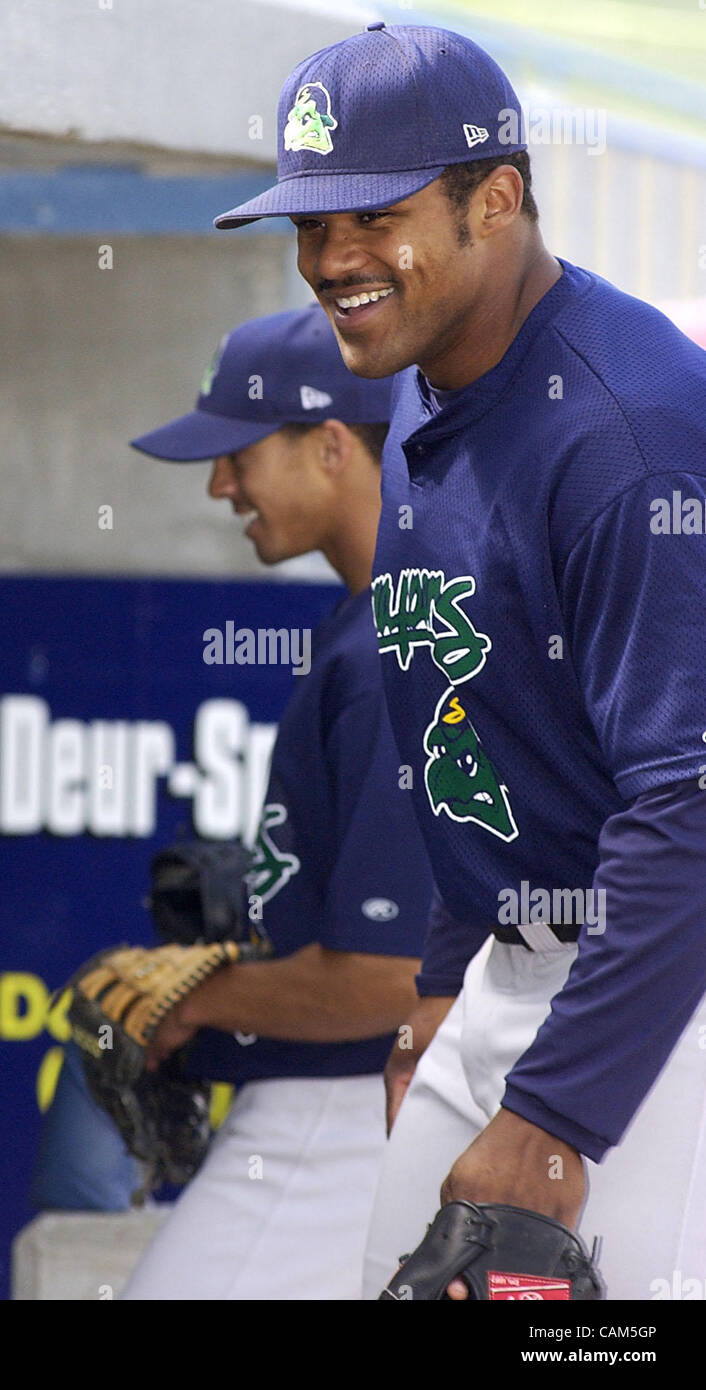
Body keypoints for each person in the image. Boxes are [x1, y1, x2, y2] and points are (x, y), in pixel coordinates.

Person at [215, 22, 706, 1301]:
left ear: (496, 200)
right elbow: (468, 722)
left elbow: (692, 803)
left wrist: (555, 1118)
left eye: (370, 216)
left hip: (661, 991)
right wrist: (441, 986)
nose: (331, 263)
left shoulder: (628, 437)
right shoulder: (434, 368)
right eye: (309, 227)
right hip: (511, 964)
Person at [114, 304, 435, 1299]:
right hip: (363, 1109)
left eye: (236, 453)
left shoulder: (397, 638)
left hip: (340, 1113)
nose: (219, 486)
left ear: (332, 444)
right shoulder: (394, 616)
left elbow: (393, 977)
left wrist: (193, 996)